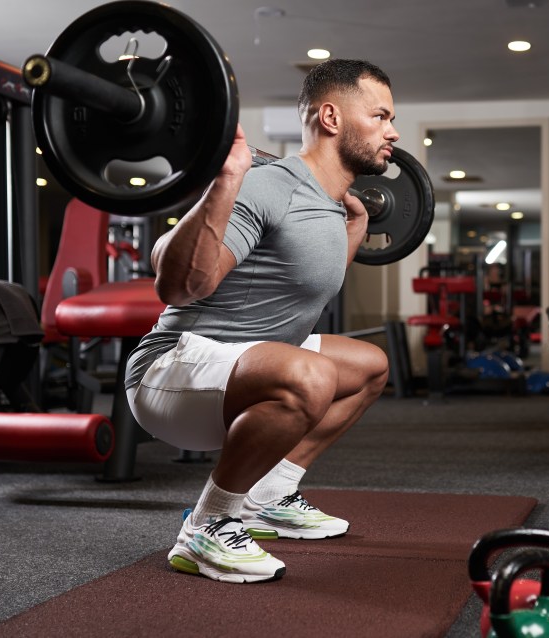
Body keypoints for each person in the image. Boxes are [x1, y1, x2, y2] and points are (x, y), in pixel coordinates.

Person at [123, 59, 398, 583]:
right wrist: (228, 178)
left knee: (368, 366)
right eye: (381, 116)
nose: (393, 131)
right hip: (171, 371)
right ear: (332, 118)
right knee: (310, 374)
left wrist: (355, 227)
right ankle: (208, 525)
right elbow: (182, 286)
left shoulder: (331, 206)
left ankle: (268, 496)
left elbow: (303, 292)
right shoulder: (270, 185)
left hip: (241, 369)